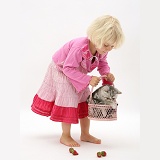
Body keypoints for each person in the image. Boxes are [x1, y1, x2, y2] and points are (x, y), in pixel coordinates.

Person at [31, 15, 125, 147]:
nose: (108, 49)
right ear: (96, 37)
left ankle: (85, 134)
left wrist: (106, 73)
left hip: (76, 71)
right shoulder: (79, 48)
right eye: (106, 45)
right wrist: (87, 79)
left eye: (112, 47)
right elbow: (68, 68)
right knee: (68, 99)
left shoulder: (102, 49)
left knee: (85, 100)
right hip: (61, 69)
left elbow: (102, 63)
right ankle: (65, 135)